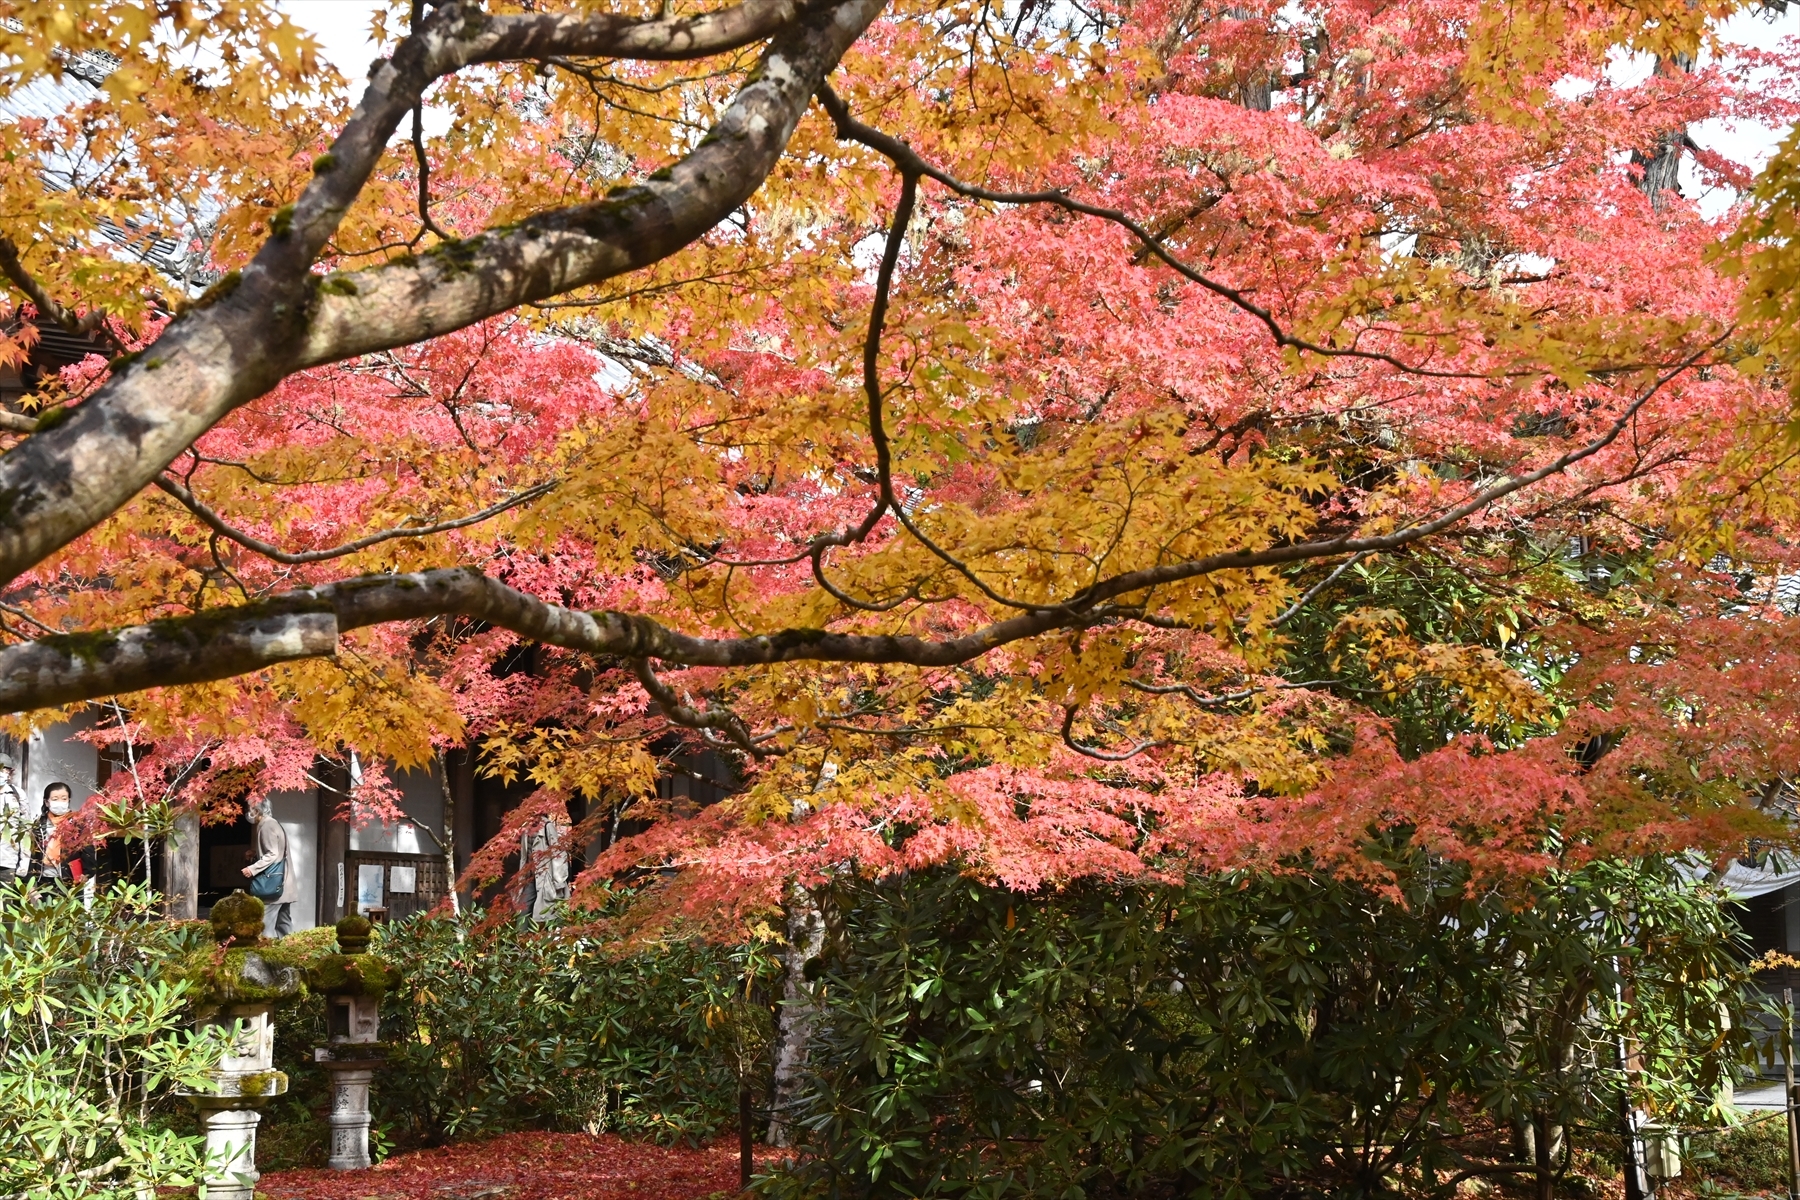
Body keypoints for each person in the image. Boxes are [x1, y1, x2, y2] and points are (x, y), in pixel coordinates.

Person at [241, 796, 294, 936]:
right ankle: (290, 948)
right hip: (283, 882)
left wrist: (252, 869)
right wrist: (255, 853)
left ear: (257, 810)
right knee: (284, 924)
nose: (248, 812)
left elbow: (272, 854)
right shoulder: (273, 823)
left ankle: (267, 949)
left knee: (265, 925)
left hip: (272, 884)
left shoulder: (267, 826)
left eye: (249, 808)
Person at [31, 781, 95, 888]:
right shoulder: (40, 823)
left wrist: (88, 872)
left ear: (69, 800)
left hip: (70, 878)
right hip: (44, 877)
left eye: (64, 799)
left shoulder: (77, 821)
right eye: (55, 799)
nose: (60, 802)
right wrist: (30, 879)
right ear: (46, 802)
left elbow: (87, 848)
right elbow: (33, 851)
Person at [518, 812, 569, 924]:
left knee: (552, 912)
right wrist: (521, 878)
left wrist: (559, 881)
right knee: (523, 910)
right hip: (530, 876)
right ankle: (521, 935)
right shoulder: (525, 828)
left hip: (546, 877)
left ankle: (559, 934)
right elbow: (524, 856)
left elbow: (558, 854)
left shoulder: (547, 826)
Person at [0, 755, 22, 887]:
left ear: (10, 772)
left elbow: (25, 829)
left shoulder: (17, 794)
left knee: (7, 898)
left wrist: (24, 864)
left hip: (8, 860)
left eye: (4, 769)